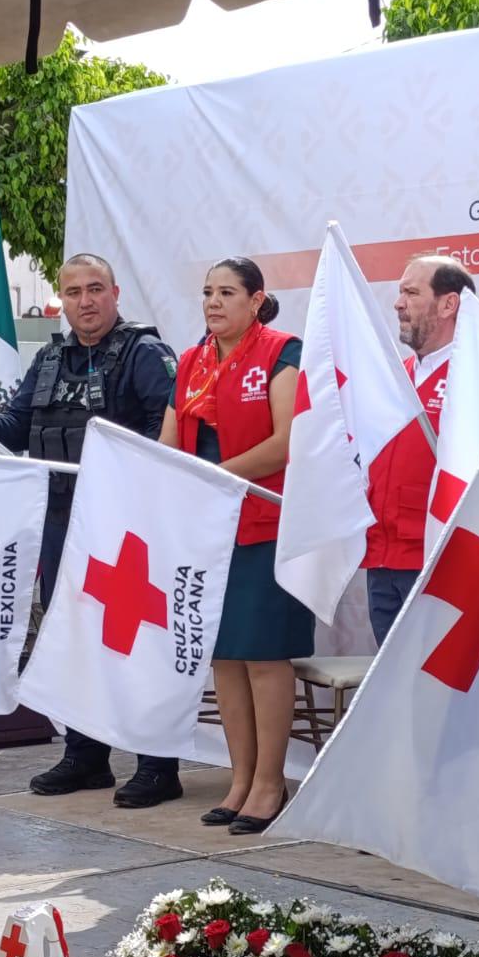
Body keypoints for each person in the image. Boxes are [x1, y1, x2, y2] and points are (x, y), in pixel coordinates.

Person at [0, 254, 179, 801]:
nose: (85, 301)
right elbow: (18, 425)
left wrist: (119, 477)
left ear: (116, 293)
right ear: (62, 300)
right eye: (73, 292)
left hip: (125, 527)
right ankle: (85, 756)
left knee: (135, 639)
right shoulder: (50, 358)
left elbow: (162, 429)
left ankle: (157, 765)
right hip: (60, 521)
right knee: (71, 638)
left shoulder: (145, 353)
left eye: (95, 289)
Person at [160, 257, 312, 834]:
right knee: (225, 655)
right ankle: (241, 779)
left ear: (256, 300)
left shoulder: (282, 351)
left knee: (264, 653)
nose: (213, 302)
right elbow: (171, 442)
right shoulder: (192, 361)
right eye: (206, 292)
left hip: (267, 524)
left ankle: (272, 784)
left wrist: (219, 478)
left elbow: (285, 443)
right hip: (211, 526)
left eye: (227, 292)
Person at [362, 256, 472, 644]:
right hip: (382, 559)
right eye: (399, 292)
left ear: (448, 304)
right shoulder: (397, 376)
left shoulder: (475, 374)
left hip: (438, 566)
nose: (397, 303)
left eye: (411, 292)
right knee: (393, 695)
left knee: (439, 696)